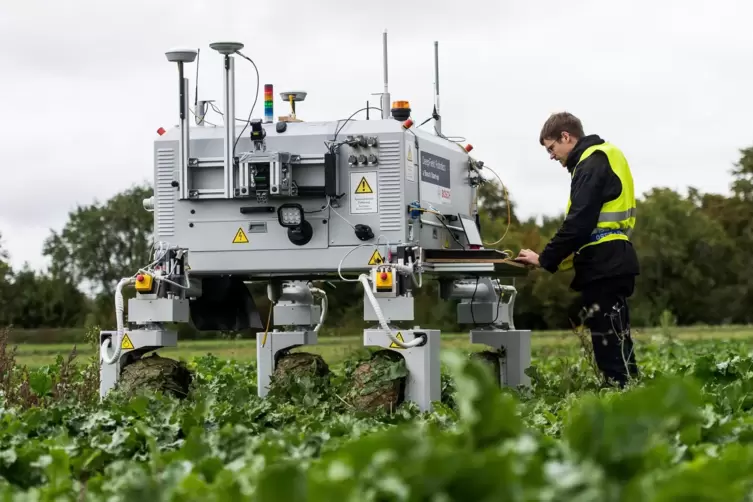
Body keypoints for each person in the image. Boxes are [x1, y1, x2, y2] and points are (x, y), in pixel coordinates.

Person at [514, 112, 640, 387]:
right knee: (617, 339)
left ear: (566, 137)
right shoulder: (604, 156)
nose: (552, 156)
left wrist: (545, 258)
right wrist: (553, 262)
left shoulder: (591, 162)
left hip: (604, 264)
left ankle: (622, 398)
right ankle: (630, 393)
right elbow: (589, 231)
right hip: (613, 257)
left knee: (609, 344)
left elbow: (579, 225)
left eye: (552, 148)